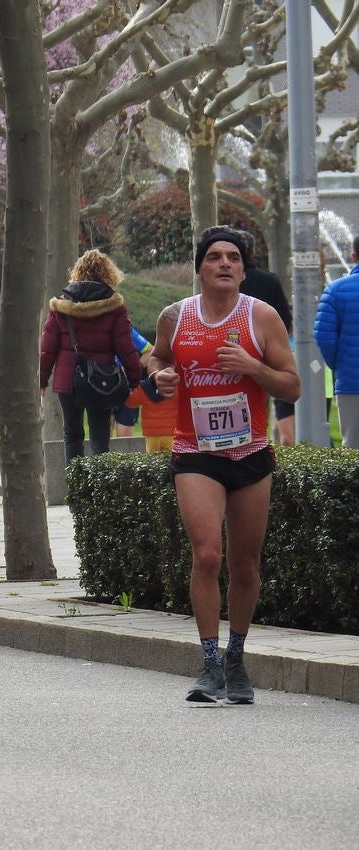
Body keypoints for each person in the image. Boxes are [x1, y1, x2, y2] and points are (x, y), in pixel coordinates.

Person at [148, 227, 299, 704]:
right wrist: (160, 375)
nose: (225, 264)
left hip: (250, 451)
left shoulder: (262, 317)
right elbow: (155, 358)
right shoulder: (176, 317)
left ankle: (237, 656)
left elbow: (292, 387)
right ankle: (209, 662)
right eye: (214, 257)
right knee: (208, 554)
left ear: (243, 268)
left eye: (233, 257)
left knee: (245, 563)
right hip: (196, 451)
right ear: (200, 268)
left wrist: (253, 367)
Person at [39, 249, 142, 464]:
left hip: (68, 381)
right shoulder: (115, 307)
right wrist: (134, 378)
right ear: (108, 274)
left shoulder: (60, 305)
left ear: (77, 272)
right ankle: (98, 490)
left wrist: (41, 380)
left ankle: (76, 489)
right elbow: (125, 347)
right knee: (100, 437)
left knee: (72, 433)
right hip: (102, 380)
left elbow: (47, 348)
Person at [233, 229, 295, 445]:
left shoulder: (220, 281)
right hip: (263, 353)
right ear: (253, 252)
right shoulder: (269, 281)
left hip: (227, 351)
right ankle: (258, 441)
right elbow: (285, 321)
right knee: (261, 401)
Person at [314, 233, 359, 447]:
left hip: (351, 382)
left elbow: (323, 336)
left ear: (353, 256)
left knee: (353, 449)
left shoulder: (335, 290)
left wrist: (339, 364)